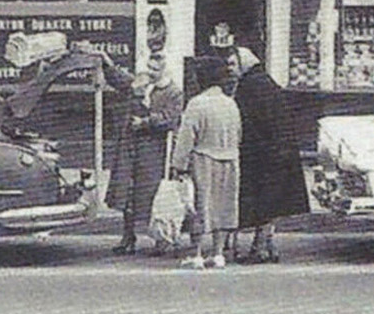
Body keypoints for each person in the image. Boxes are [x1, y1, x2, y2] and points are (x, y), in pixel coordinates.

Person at [227, 45, 310, 263]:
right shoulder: (265, 82)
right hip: (278, 152)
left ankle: (261, 248)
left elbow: (244, 121)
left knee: (261, 202)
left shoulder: (249, 86)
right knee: (270, 202)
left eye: (233, 64)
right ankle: (267, 245)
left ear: (244, 64)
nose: (230, 69)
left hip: (261, 154)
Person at [98, 50, 184, 255]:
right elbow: (118, 79)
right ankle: (128, 237)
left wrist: (146, 122)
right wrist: (106, 61)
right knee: (127, 191)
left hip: (153, 149)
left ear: (165, 69)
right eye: (150, 67)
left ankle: (162, 239)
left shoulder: (173, 92)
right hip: (130, 146)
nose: (152, 72)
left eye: (156, 68)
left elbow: (171, 119)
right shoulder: (139, 83)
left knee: (153, 193)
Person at [170, 53, 241, 270]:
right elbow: (239, 134)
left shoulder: (196, 104)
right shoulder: (231, 104)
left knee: (199, 206)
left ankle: (197, 253)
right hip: (229, 159)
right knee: (223, 206)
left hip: (203, 160)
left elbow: (186, 137)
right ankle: (218, 253)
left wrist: (178, 165)